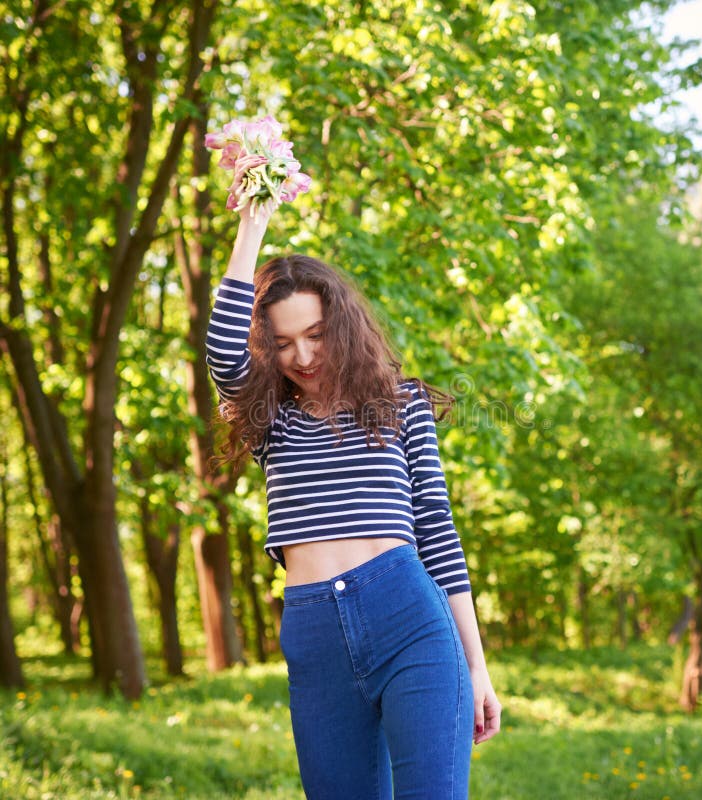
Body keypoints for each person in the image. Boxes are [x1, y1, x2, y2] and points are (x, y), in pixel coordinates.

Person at [206, 153, 501, 799]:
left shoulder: (401, 404)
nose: (302, 356)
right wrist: (252, 226)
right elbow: (223, 354)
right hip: (313, 630)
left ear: (340, 323)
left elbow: (440, 540)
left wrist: (477, 666)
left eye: (314, 335)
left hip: (409, 613)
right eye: (282, 343)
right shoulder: (272, 418)